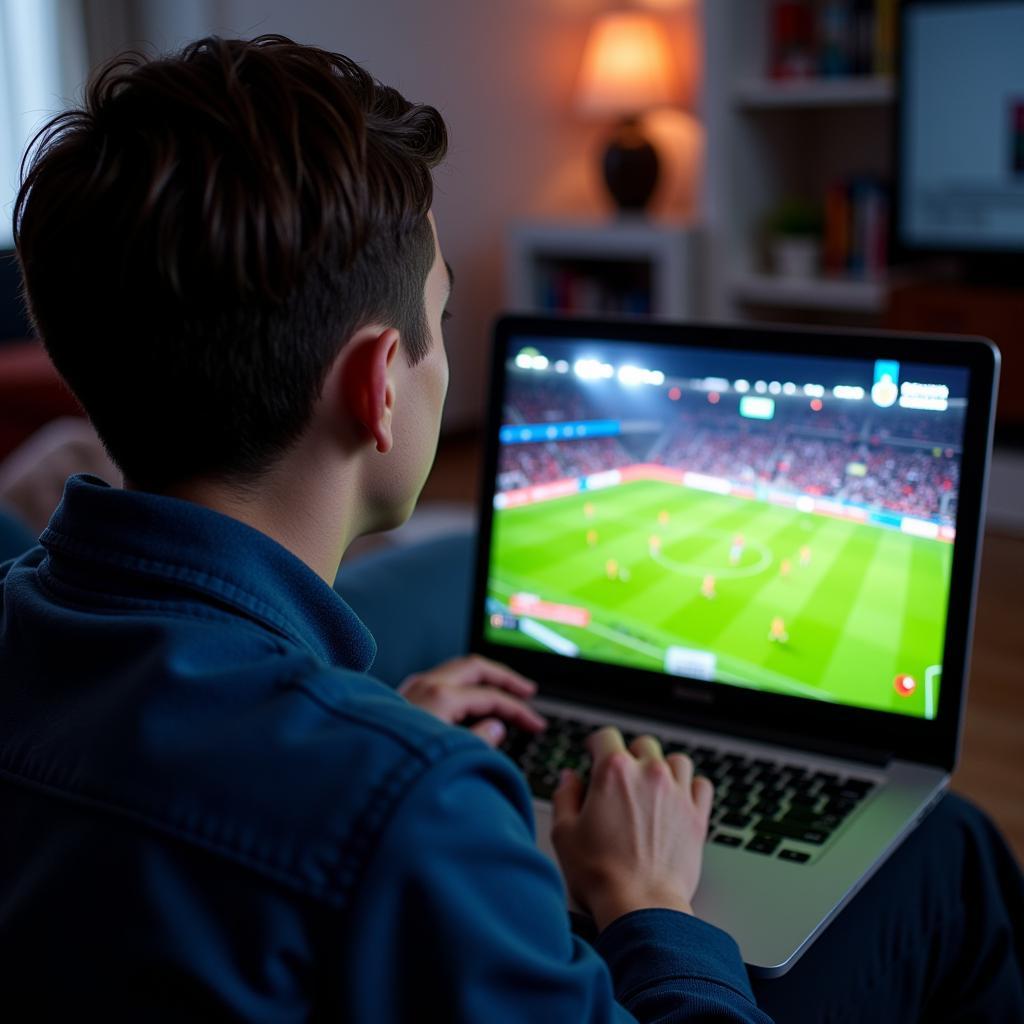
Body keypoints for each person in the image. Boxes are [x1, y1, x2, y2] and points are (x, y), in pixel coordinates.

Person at [0, 35, 1021, 1023]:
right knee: (952, 857)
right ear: (377, 389)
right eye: (438, 324)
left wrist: (364, 722)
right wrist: (647, 903)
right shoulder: (414, 807)